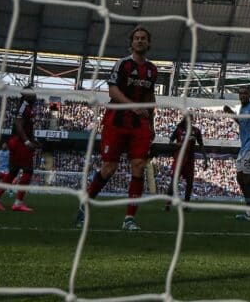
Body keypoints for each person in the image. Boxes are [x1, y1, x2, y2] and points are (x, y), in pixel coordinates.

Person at [76, 25, 158, 231]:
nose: (139, 41)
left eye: (143, 38)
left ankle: (129, 218)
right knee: (109, 168)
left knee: (138, 165)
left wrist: (152, 122)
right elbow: (112, 91)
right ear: (131, 43)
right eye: (136, 38)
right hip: (117, 120)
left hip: (140, 124)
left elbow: (149, 97)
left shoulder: (152, 69)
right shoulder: (122, 64)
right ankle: (85, 204)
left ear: (148, 43)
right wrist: (133, 106)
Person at [0, 88, 39, 212]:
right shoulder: (24, 107)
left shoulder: (27, 107)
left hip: (17, 142)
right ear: (26, 96)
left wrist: (33, 139)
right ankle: (18, 202)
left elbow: (26, 127)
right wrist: (27, 141)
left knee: (13, 172)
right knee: (28, 171)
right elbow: (18, 124)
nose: (35, 96)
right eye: (33, 94)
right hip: (19, 143)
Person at [223, 86, 250, 220]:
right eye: (240, 93)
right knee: (240, 178)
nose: (242, 96)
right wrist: (231, 113)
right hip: (244, 147)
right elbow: (241, 123)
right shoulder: (242, 109)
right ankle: (249, 207)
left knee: (247, 179)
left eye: (245, 93)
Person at [163, 115, 207, 211]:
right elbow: (170, 142)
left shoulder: (196, 131)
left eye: (192, 119)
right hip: (179, 158)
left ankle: (186, 205)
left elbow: (201, 145)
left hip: (190, 159)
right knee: (173, 182)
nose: (190, 120)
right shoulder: (179, 129)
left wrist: (205, 159)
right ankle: (167, 204)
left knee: (190, 183)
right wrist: (177, 144)